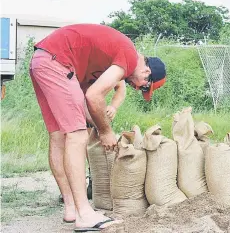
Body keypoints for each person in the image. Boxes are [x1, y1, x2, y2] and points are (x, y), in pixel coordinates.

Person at [29, 23, 166, 231]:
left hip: (42, 60)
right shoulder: (129, 55)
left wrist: (100, 126)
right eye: (144, 86)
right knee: (77, 136)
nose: (137, 88)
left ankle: (72, 208)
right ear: (147, 71)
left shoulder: (98, 63)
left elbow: (83, 103)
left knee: (59, 135)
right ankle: (84, 214)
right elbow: (94, 97)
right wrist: (105, 131)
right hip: (57, 61)